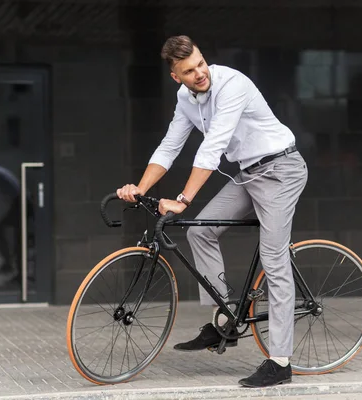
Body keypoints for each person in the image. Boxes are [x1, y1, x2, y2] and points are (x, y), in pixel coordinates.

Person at [116, 35, 308, 388]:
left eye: (201, 63)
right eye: (189, 71)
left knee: (273, 257)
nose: (200, 73)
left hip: (281, 170)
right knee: (199, 231)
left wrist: (183, 199)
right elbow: (170, 145)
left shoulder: (232, 84)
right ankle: (227, 319)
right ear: (176, 76)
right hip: (249, 174)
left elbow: (213, 146)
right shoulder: (184, 98)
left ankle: (280, 362)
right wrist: (140, 188)